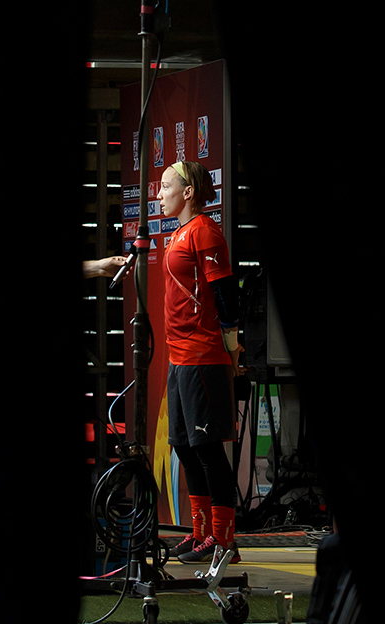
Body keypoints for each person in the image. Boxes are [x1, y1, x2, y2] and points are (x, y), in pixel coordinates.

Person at [156, 160, 244, 565]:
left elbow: (226, 295)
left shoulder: (205, 231)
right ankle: (200, 534)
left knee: (207, 449)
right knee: (184, 448)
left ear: (187, 192)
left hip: (203, 357)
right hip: (179, 358)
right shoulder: (179, 234)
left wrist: (231, 345)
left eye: (165, 186)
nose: (159, 194)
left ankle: (224, 542)